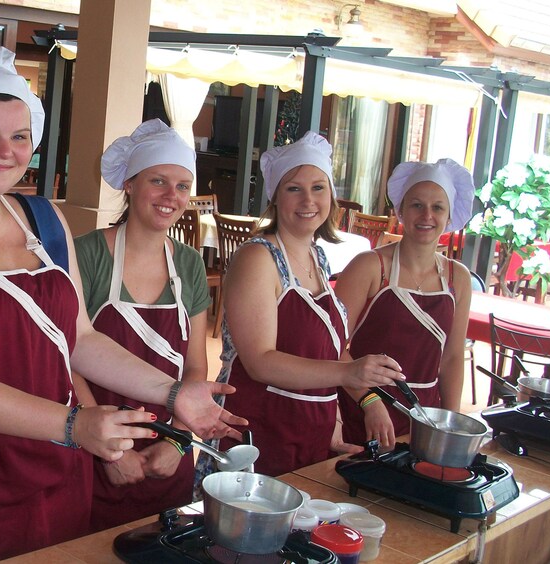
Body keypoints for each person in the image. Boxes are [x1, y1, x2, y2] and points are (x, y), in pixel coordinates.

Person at [0, 47, 244, 563]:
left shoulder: (45, 220)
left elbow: (80, 338)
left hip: (58, 465)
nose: (6, 150)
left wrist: (174, 392)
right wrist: (73, 425)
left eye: (19, 136)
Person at [214, 131, 405, 477]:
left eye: (318, 187)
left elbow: (326, 351)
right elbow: (260, 362)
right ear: (275, 198)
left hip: (310, 431)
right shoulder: (259, 258)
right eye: (294, 188)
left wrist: (357, 402)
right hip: (258, 431)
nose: (308, 200)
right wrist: (349, 372)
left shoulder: (317, 257)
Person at [74, 119, 211, 531]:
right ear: (130, 184)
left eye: (183, 186)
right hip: (92, 443)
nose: (172, 196)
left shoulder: (190, 264)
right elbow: (65, 359)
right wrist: (110, 450)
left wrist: (178, 440)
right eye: (158, 180)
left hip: (168, 453)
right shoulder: (87, 255)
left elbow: (197, 368)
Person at [334, 159, 474, 448]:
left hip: (425, 417)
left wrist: (449, 424)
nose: (427, 215)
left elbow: (451, 358)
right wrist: (369, 400)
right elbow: (332, 346)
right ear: (399, 210)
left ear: (449, 216)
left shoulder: (457, 278)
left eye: (437, 207)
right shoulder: (370, 267)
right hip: (363, 409)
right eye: (416, 205)